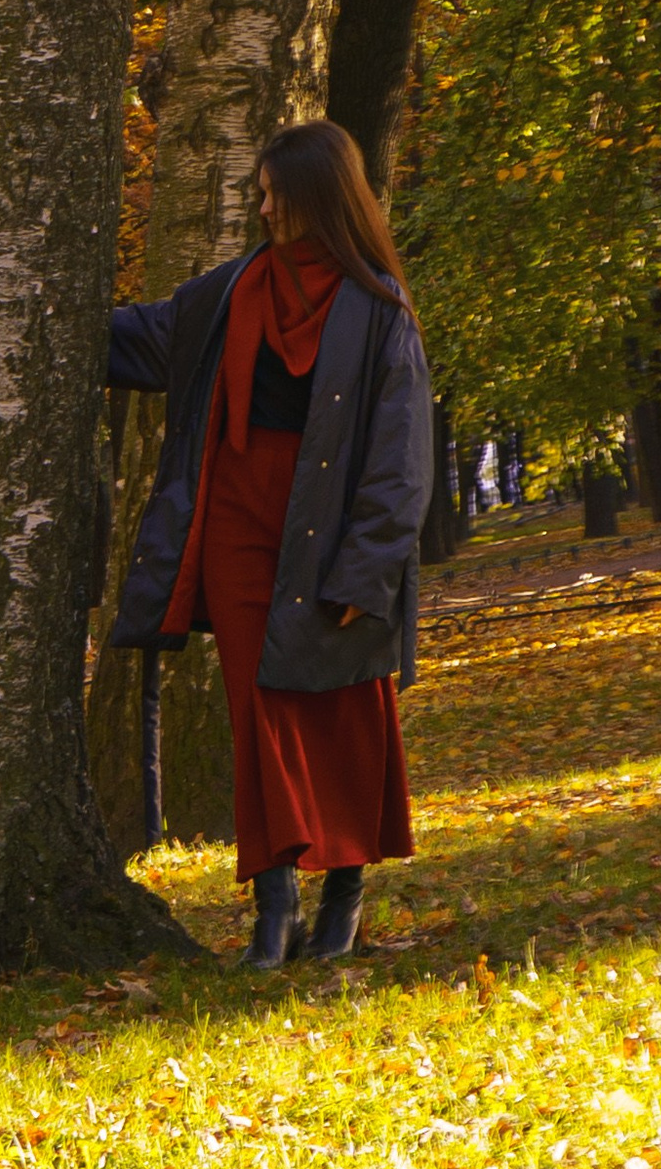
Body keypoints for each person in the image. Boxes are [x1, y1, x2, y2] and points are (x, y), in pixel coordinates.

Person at [106, 119, 432, 967]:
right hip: (239, 528)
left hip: (334, 533)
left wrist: (368, 565)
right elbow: (142, 339)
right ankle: (275, 905)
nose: (261, 209)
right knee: (261, 711)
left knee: (347, 710)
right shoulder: (230, 292)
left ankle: (345, 893)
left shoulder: (379, 310)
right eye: (258, 193)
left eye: (272, 194)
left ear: (317, 197)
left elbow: (402, 458)